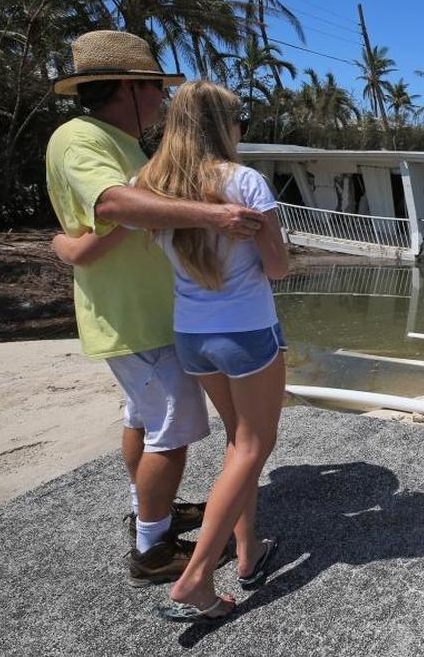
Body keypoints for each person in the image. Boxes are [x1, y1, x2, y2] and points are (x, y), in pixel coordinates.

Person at [59, 80, 290, 621]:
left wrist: (62, 243)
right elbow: (276, 267)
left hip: (191, 334)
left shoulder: (150, 181)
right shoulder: (246, 182)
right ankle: (196, 576)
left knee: (238, 442)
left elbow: (102, 230)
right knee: (255, 446)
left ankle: (249, 551)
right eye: (240, 122)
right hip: (246, 332)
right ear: (223, 125)